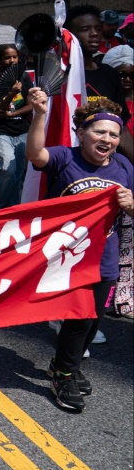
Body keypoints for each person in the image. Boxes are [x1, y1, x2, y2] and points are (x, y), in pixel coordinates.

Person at [25, 92, 134, 410]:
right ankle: (63, 374)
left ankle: (63, 366)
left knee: (94, 321)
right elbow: (35, 155)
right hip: (68, 257)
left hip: (105, 257)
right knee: (79, 319)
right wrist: (40, 114)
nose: (108, 139)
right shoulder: (65, 158)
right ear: (81, 133)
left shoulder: (124, 167)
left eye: (113, 135)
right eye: (100, 132)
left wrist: (130, 205)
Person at [66, 5, 133, 160]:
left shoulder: (109, 75)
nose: (94, 34)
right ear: (69, 35)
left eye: (97, 28)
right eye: (85, 29)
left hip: (105, 163)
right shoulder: (60, 76)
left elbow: (121, 128)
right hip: (69, 160)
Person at [0, 44, 34, 209]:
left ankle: (13, 209)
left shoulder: (23, 77)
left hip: (21, 129)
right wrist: (11, 93)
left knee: (17, 175)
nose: (12, 60)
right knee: (6, 169)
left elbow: (31, 105)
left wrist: (12, 114)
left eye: (15, 57)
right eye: (7, 57)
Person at [103, 45, 134, 319]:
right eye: (120, 74)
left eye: (131, 75)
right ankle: (114, 296)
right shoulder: (105, 106)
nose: (126, 79)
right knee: (116, 236)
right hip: (114, 174)